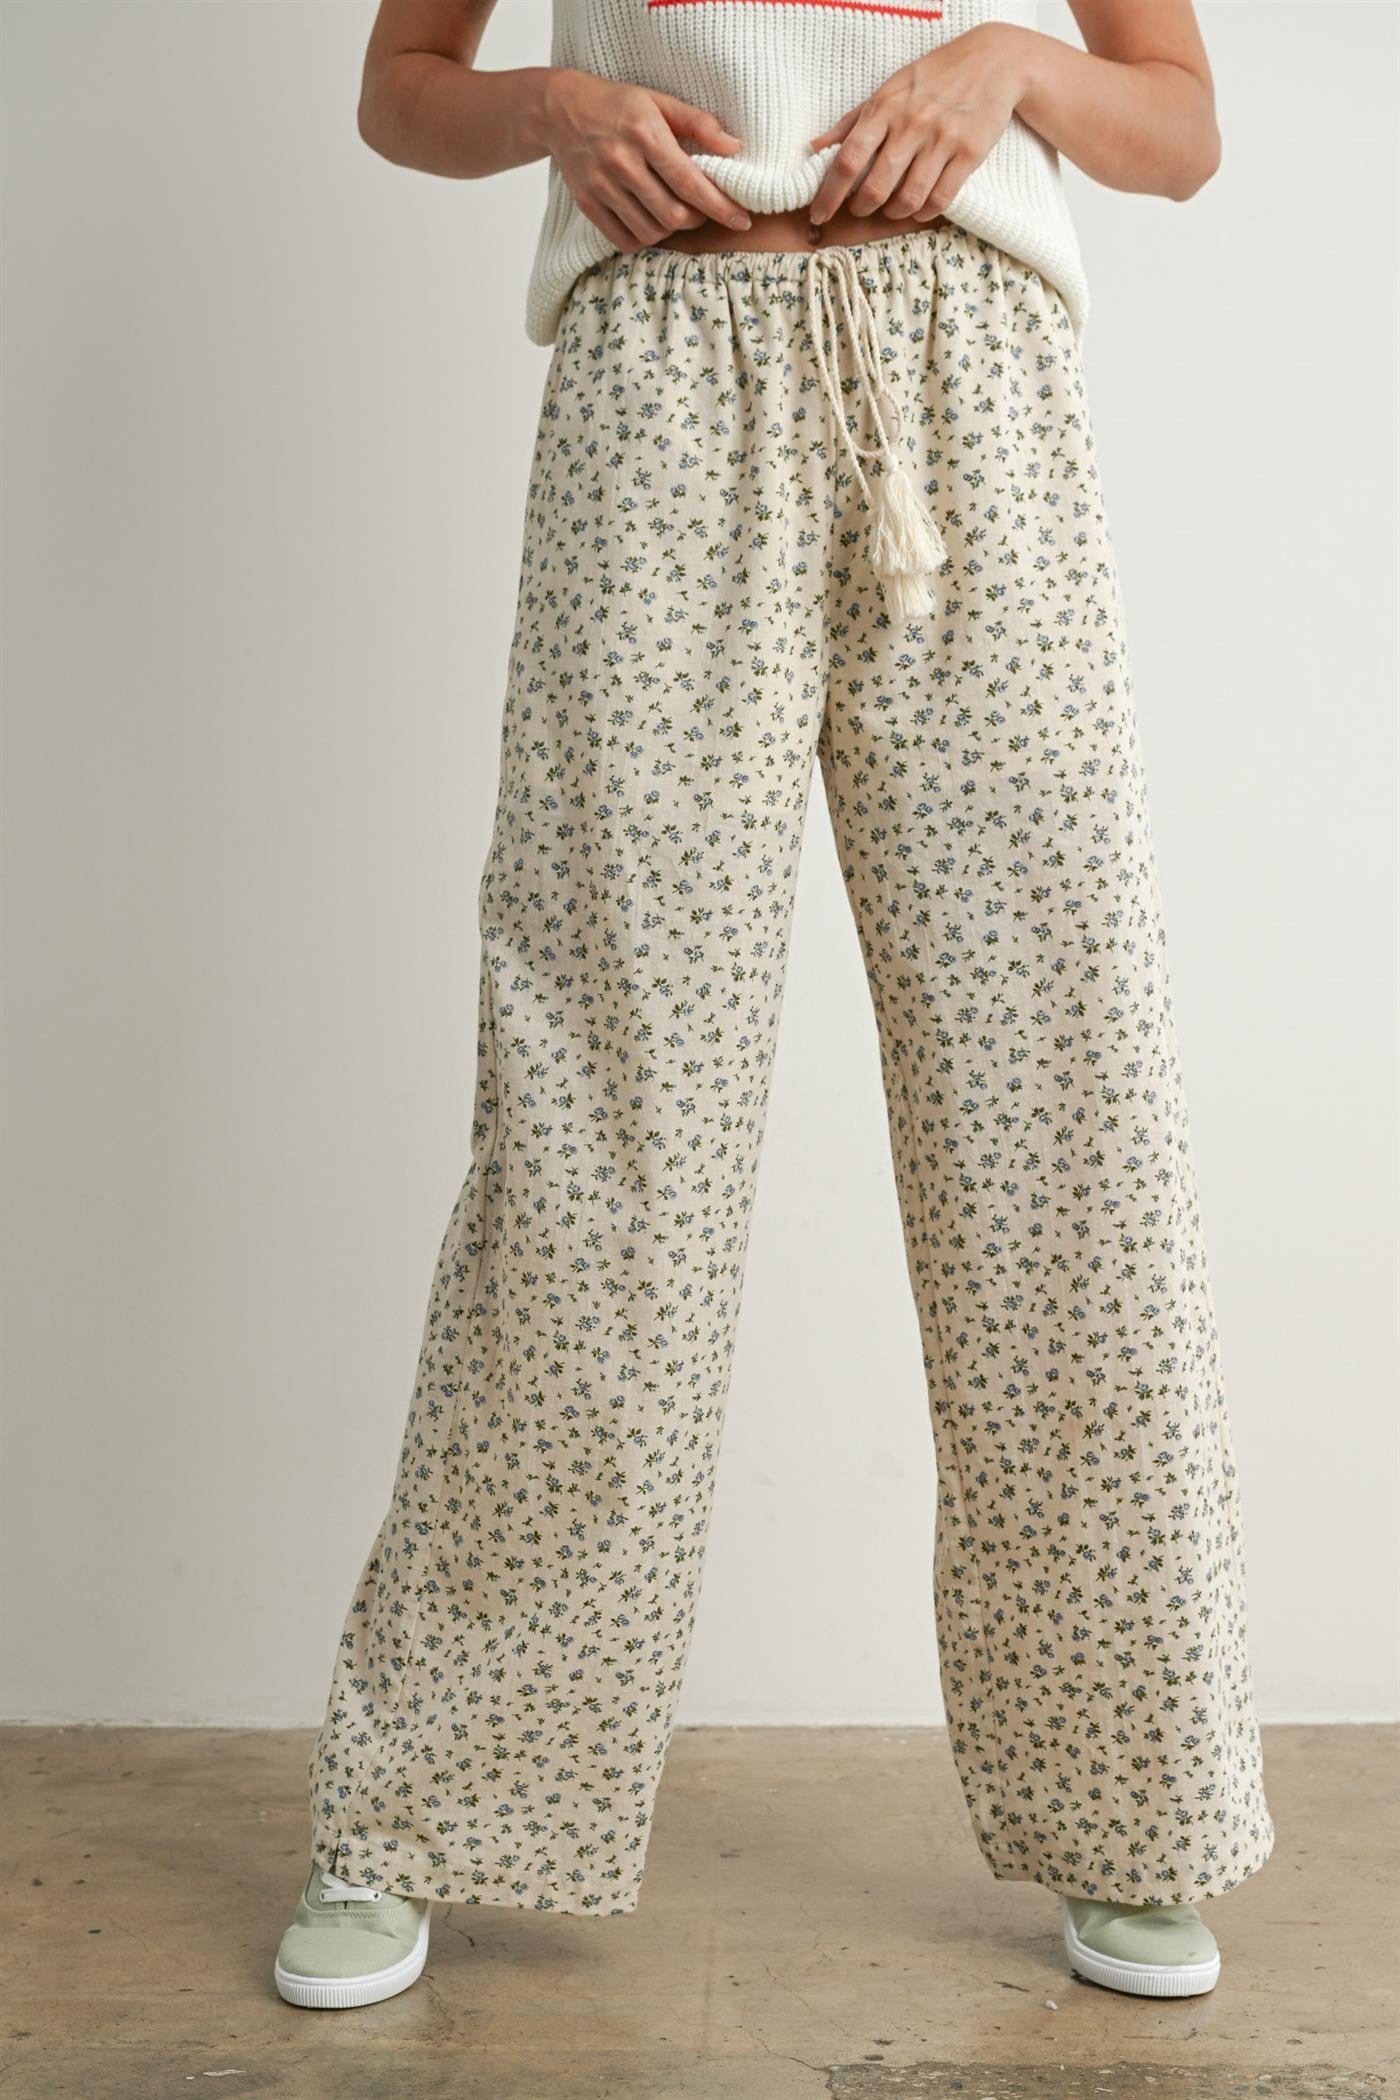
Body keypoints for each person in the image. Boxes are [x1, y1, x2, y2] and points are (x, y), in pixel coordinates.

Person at [273, 0, 1275, 2012]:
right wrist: (555, 109)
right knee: (596, 1130)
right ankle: (425, 1809)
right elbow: (401, 92)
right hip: (659, 385)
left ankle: (1134, 1809)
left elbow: (1178, 131)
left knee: (1058, 1111)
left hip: (969, 384)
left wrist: (1013, 67)